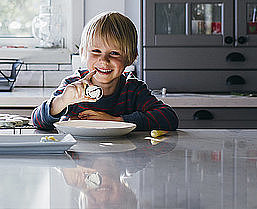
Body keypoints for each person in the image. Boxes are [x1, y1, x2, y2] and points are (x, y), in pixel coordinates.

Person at [32, 11, 178, 131]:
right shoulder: (73, 86)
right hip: (77, 160)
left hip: (123, 157)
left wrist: (117, 121)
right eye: (96, 51)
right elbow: (38, 121)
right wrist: (62, 101)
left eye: (114, 53)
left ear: (131, 57)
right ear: (83, 52)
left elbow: (169, 118)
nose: (104, 60)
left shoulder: (133, 89)